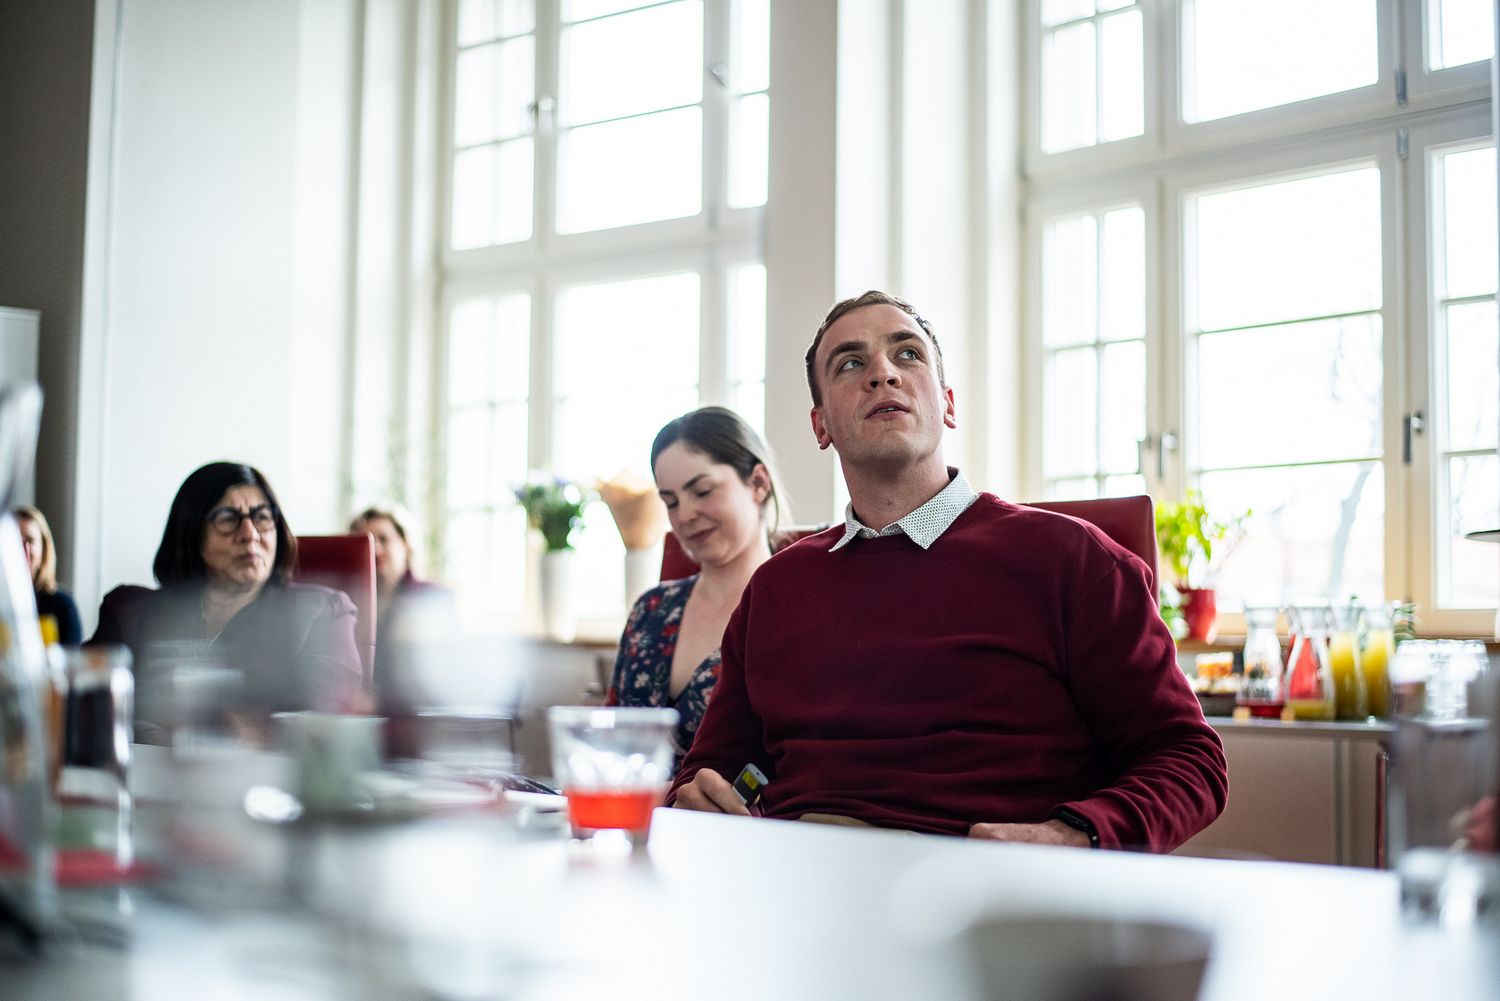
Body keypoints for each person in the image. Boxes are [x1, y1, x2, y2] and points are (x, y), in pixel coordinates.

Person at [667, 291, 1228, 851]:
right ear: (821, 426)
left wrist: (1074, 835)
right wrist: (695, 796)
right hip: (804, 879)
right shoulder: (775, 589)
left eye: (907, 355)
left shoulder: (1074, 560)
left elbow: (1187, 758)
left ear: (948, 403)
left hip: (986, 887)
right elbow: (711, 770)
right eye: (851, 363)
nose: (882, 373)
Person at [90, 461, 365, 739]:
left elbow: (324, 714)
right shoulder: (129, 611)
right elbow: (88, 707)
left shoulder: (322, 612)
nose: (250, 534)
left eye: (262, 517)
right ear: (191, 532)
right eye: (227, 518)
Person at [606, 407, 780, 772]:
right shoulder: (651, 610)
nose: (684, 515)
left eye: (702, 491)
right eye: (670, 501)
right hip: (633, 817)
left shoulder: (798, 609)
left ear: (758, 484)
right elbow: (608, 742)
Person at [348, 503, 449, 695]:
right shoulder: (344, 605)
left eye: (384, 539)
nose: (375, 549)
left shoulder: (434, 598)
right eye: (366, 542)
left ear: (406, 544)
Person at [15, 505, 83, 645]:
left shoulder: (62, 605)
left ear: (44, 549)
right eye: (15, 540)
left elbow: (70, 659)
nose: (23, 548)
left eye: (30, 540)